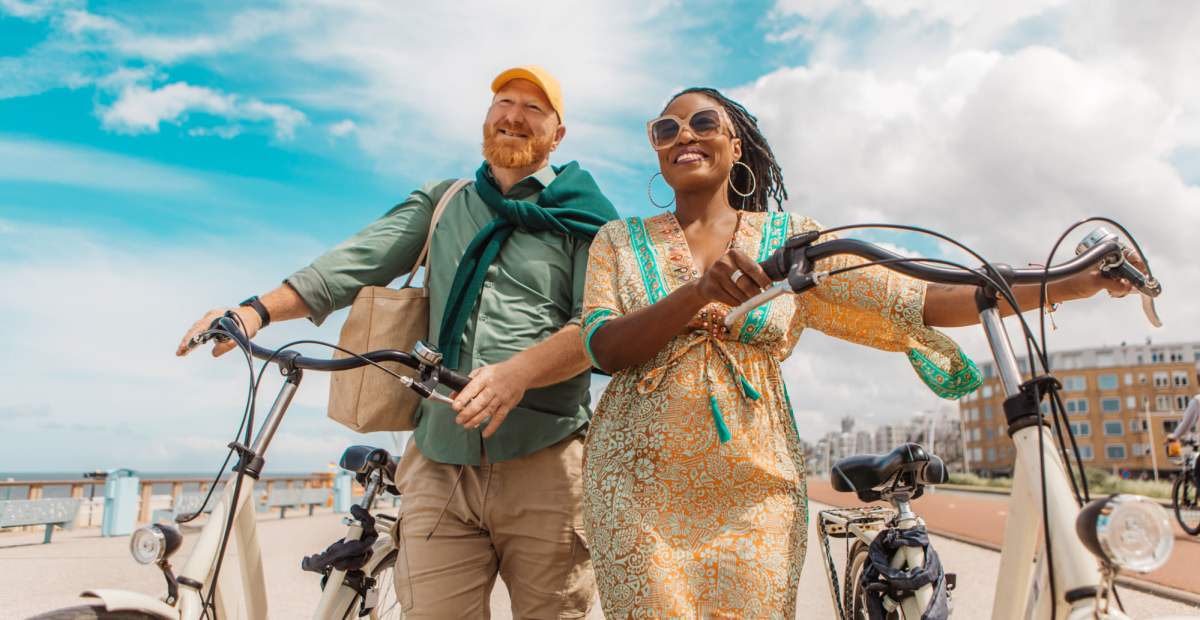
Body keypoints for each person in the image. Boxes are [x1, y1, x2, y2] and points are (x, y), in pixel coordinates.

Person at [579, 86, 1141, 618]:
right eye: (665, 129)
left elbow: (917, 296)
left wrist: (1069, 284)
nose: (684, 136)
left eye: (703, 123)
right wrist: (697, 293)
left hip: (758, 486)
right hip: (637, 490)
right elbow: (604, 347)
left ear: (736, 143)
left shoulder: (793, 241)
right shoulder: (619, 242)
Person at [178, 66, 617, 619]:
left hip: (545, 461)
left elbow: (599, 326)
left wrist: (518, 373)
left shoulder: (587, 220)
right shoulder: (447, 202)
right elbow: (354, 262)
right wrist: (256, 310)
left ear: (558, 134)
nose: (514, 116)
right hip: (438, 459)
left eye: (534, 109)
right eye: (504, 102)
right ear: (486, 119)